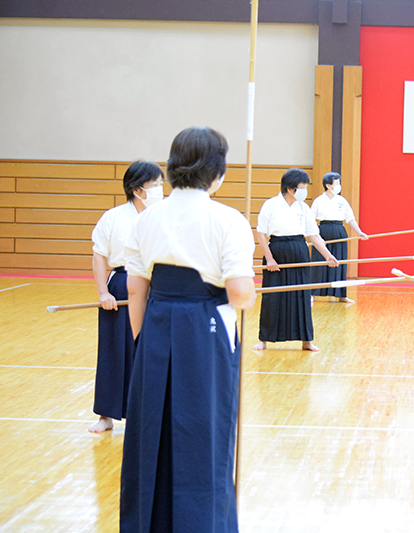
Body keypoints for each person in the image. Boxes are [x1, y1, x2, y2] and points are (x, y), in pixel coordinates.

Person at [120, 126, 256, 532]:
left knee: (150, 433)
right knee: (205, 433)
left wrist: (145, 343)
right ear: (217, 173)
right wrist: (248, 285)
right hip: (205, 328)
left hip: (156, 326)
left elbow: (135, 288)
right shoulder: (227, 219)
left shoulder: (148, 218)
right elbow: (239, 293)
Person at [88, 160, 163, 433]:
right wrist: (103, 292)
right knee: (113, 349)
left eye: (160, 184)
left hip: (157, 283)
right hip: (121, 283)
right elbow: (99, 255)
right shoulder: (113, 217)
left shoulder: (163, 215)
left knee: (151, 350)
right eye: (154, 184)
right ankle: (106, 415)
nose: (159, 189)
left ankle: (150, 414)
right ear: (137, 189)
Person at [252, 168, 339, 352]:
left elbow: (313, 235)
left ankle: (306, 340)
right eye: (303, 187)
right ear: (291, 189)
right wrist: (269, 258)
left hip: (299, 251)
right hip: (276, 251)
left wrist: (327, 255)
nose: (305, 191)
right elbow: (260, 233)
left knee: (301, 296)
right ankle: (264, 339)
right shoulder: (270, 205)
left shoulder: (303, 208)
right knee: (272, 296)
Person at [309, 172, 368, 303]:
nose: (339, 186)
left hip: (339, 231)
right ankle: (312, 293)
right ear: (328, 186)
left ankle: (341, 295)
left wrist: (359, 232)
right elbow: (311, 220)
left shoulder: (341, 201)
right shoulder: (318, 200)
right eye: (337, 184)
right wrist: (317, 237)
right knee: (319, 262)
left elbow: (350, 218)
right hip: (322, 231)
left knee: (339, 263)